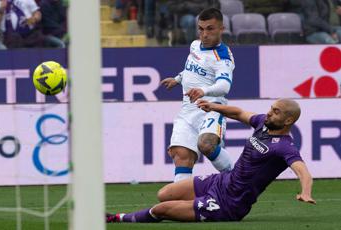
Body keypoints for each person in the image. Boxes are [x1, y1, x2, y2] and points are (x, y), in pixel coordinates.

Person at [106, 99, 316, 223]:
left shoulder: (284, 146)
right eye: (271, 108)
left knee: (161, 210)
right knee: (164, 194)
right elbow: (239, 112)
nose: (269, 113)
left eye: (276, 112)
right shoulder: (263, 123)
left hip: (230, 204)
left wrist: (305, 192)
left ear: (288, 120)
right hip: (221, 181)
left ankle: (117, 218)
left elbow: (303, 171)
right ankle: (187, 206)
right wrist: (213, 106)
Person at [160, 8, 234, 182]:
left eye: (210, 29)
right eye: (201, 29)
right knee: (181, 154)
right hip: (188, 111)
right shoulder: (194, 45)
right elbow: (191, 69)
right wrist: (177, 79)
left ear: (221, 29)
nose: (204, 34)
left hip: (211, 109)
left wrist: (204, 91)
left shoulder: (223, 57)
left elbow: (224, 85)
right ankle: (184, 203)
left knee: (206, 144)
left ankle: (237, 180)